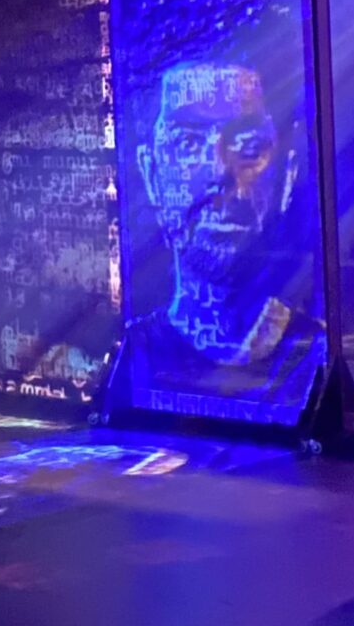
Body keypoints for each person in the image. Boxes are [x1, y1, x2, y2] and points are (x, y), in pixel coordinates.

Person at [116, 61, 325, 418]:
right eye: (187, 143)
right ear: (152, 176)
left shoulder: (317, 353)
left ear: (287, 177)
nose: (218, 173)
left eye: (248, 145)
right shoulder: (132, 354)